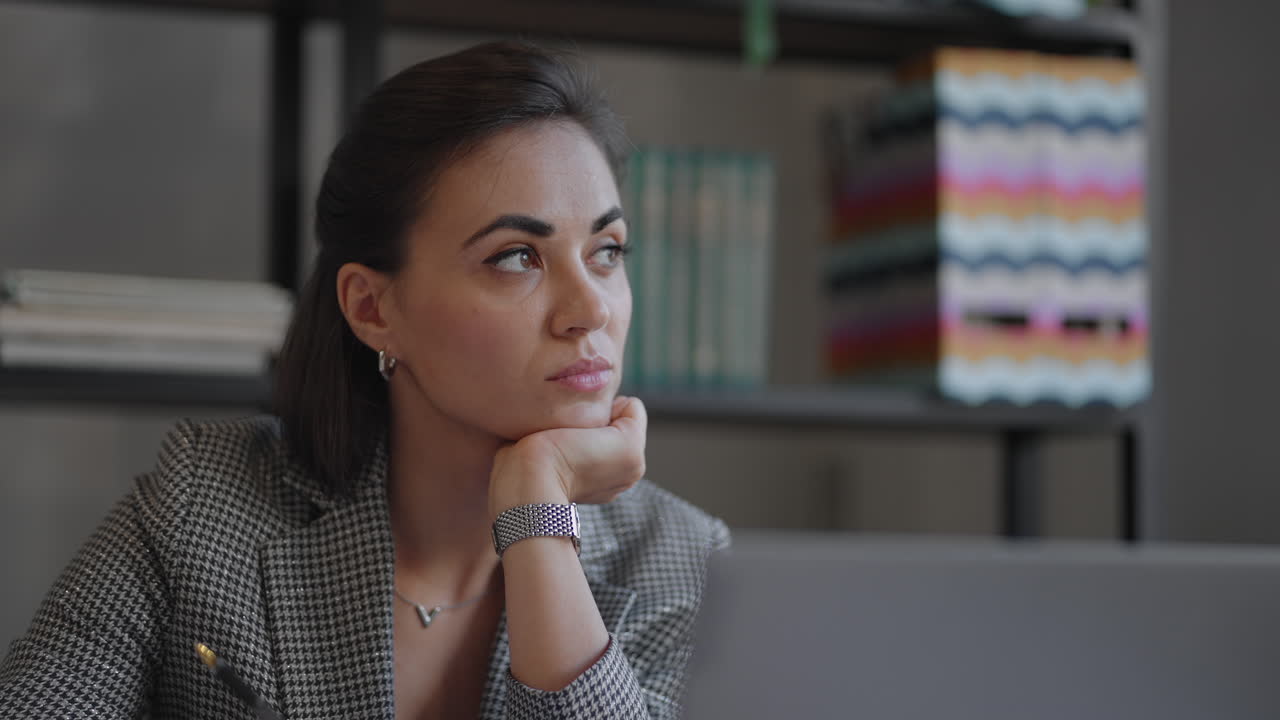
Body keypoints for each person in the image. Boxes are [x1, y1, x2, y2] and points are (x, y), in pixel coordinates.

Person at [0, 41, 729, 719]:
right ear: (372, 308)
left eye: (607, 251)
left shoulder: (685, 560)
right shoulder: (203, 506)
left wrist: (537, 513)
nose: (590, 307)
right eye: (516, 257)